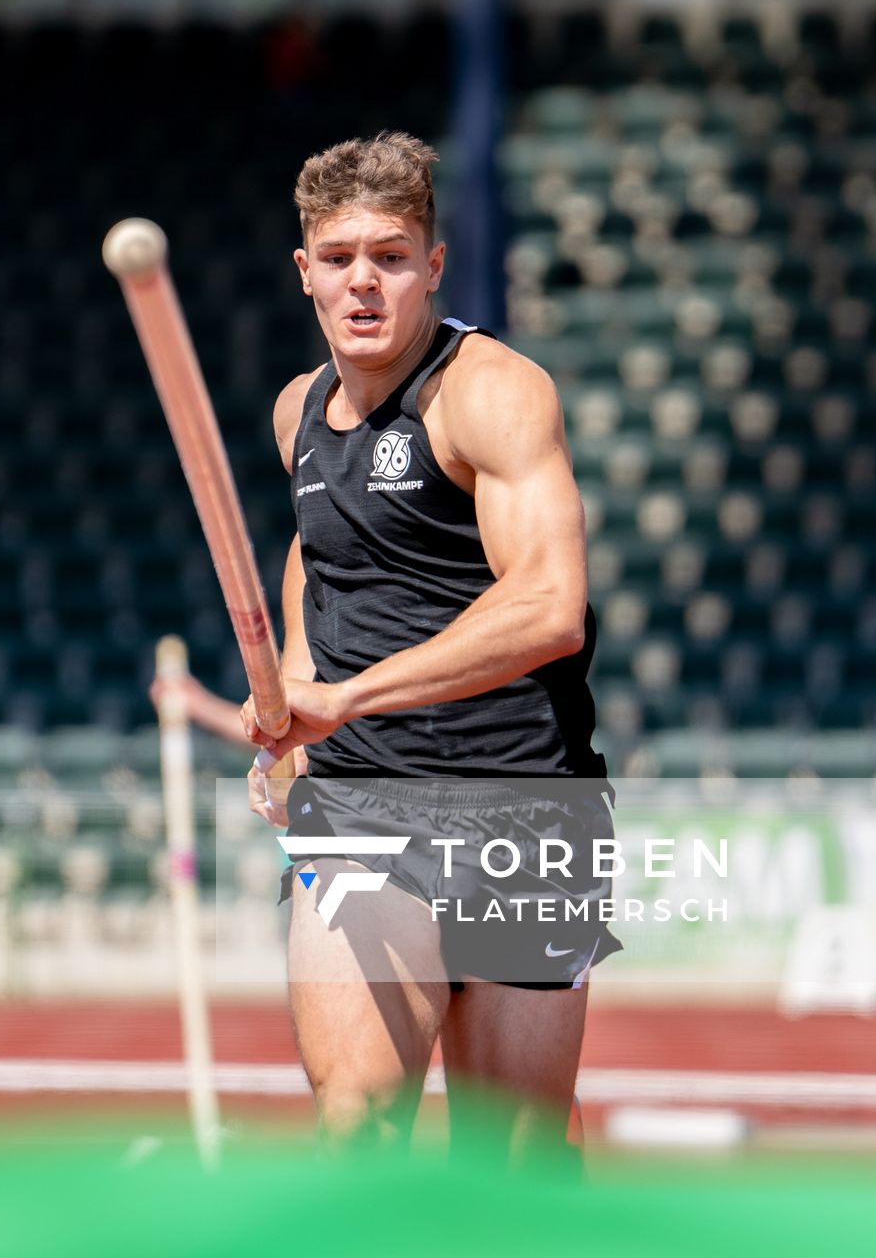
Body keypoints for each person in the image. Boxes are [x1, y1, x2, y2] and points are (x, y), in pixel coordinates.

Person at [238, 132, 614, 1169]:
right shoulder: (296, 414)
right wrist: (297, 701)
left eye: (393, 255)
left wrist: (346, 695)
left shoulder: (490, 392)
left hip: (523, 802)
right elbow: (322, 552)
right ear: (305, 270)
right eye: (343, 255)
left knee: (513, 1164)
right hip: (362, 805)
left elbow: (548, 606)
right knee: (355, 1122)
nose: (367, 280)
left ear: (434, 267)